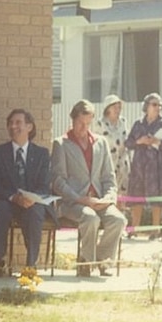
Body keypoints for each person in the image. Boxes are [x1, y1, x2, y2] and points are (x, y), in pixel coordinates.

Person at [51, 100, 125, 277]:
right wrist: (79, 198)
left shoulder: (101, 143)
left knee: (118, 220)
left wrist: (108, 199)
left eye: (87, 123)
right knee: (90, 218)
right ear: (72, 120)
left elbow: (109, 177)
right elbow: (57, 180)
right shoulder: (61, 144)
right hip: (73, 202)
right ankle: (85, 262)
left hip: (98, 200)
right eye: (79, 123)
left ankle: (103, 261)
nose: (83, 128)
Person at [0, 109, 52, 277]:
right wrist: (14, 197)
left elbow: (44, 186)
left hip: (31, 202)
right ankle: (0, 260)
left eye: (18, 123)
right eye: (10, 123)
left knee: (36, 212)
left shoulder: (41, 154)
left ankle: (31, 264)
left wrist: (30, 198)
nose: (13, 126)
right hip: (7, 200)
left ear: (29, 127)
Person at [125, 93, 162, 240]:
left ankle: (155, 230)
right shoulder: (138, 124)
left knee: (157, 197)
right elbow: (127, 143)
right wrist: (139, 142)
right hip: (139, 164)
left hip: (157, 165)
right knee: (137, 196)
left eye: (160, 105)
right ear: (146, 106)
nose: (158, 108)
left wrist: (157, 142)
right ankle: (133, 229)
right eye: (154, 105)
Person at [94, 95, 130, 213]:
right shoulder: (100, 123)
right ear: (107, 108)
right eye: (114, 106)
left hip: (122, 163)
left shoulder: (123, 121)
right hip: (107, 163)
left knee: (122, 194)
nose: (117, 109)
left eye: (119, 107)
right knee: (108, 192)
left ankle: (121, 223)